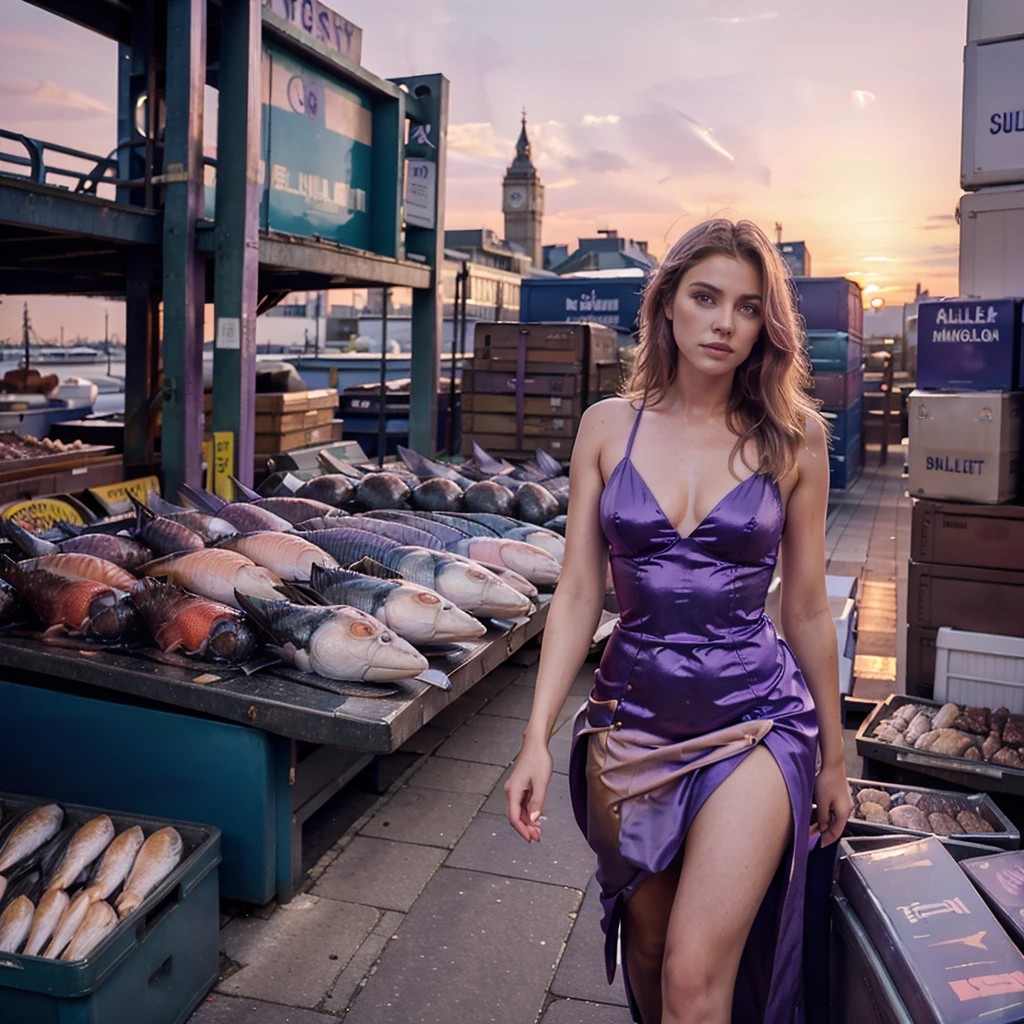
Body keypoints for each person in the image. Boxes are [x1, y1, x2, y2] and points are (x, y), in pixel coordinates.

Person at [504, 218, 853, 1024]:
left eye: (748, 306)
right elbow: (580, 593)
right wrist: (533, 737)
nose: (725, 323)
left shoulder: (797, 439)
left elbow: (803, 607)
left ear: (768, 324)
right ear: (666, 305)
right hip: (632, 725)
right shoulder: (605, 426)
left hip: (755, 723)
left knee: (696, 982)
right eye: (705, 297)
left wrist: (833, 757)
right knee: (653, 959)